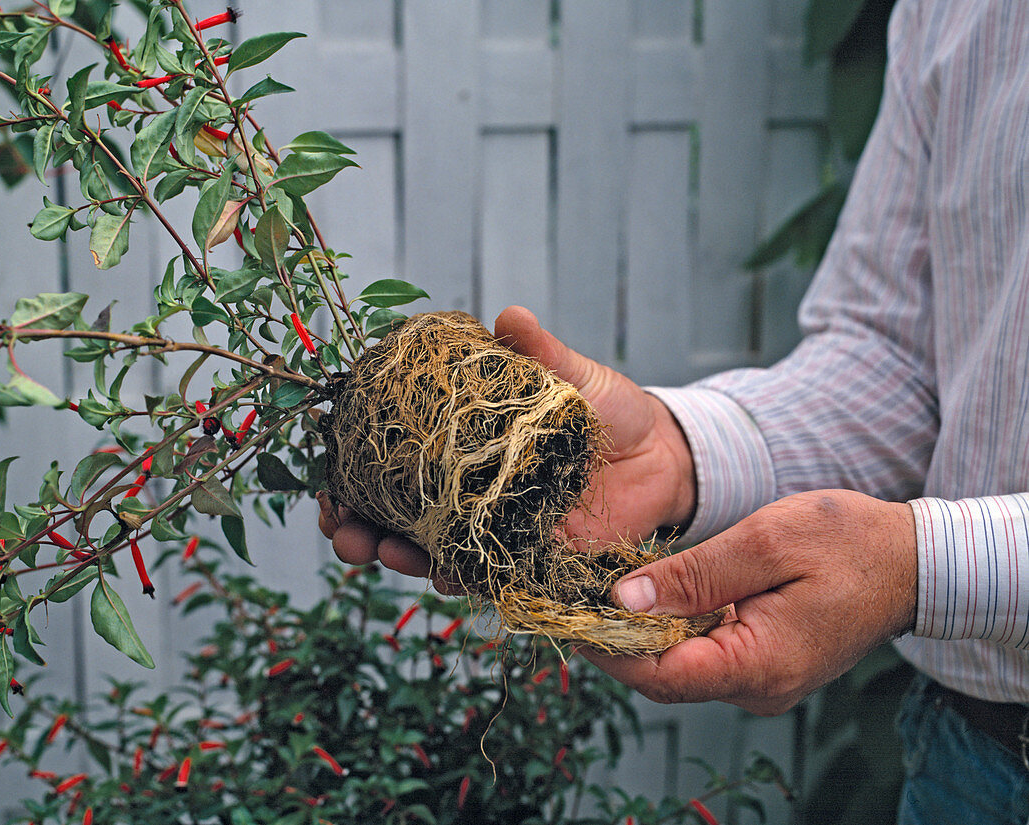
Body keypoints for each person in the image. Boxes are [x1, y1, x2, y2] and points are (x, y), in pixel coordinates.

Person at [319, 2, 1029, 820]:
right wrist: (676, 454)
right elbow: (897, 360)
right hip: (965, 766)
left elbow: (912, 556)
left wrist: (918, 568)